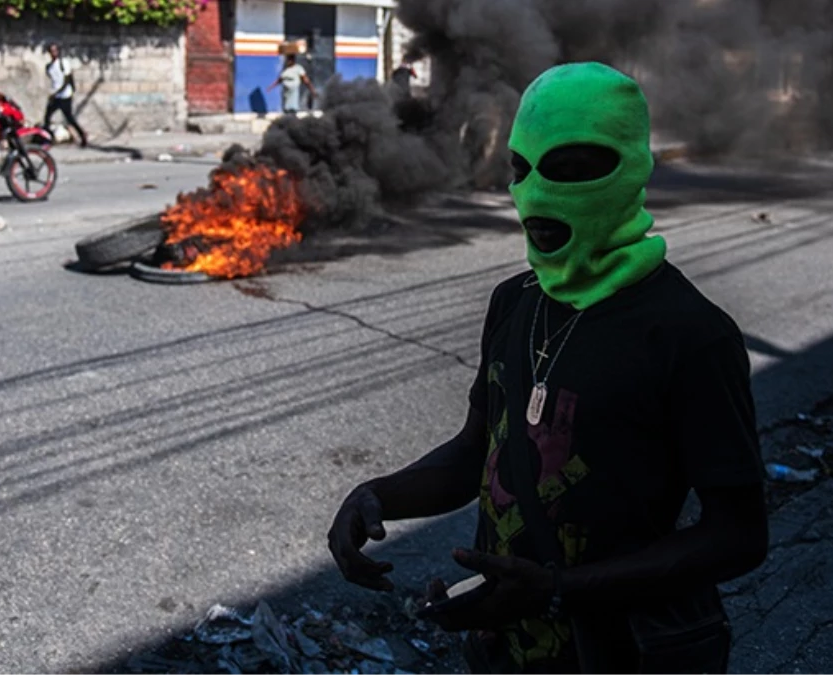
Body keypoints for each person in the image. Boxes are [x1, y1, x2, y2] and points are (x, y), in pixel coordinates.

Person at [327, 62, 769, 674]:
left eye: (568, 169)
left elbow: (738, 535)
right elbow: (477, 451)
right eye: (521, 169)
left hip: (618, 655)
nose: (535, 195)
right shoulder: (515, 302)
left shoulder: (689, 333)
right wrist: (377, 495)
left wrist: (560, 589)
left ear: (628, 169)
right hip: (500, 650)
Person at [43, 43, 87, 148]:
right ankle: (47, 139)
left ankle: (82, 135)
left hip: (65, 96)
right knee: (47, 117)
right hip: (56, 96)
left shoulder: (64, 63)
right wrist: (53, 93)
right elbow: (53, 80)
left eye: (55, 50)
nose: (54, 53)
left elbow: (67, 80)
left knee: (69, 118)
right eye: (51, 51)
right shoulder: (49, 66)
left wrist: (57, 92)